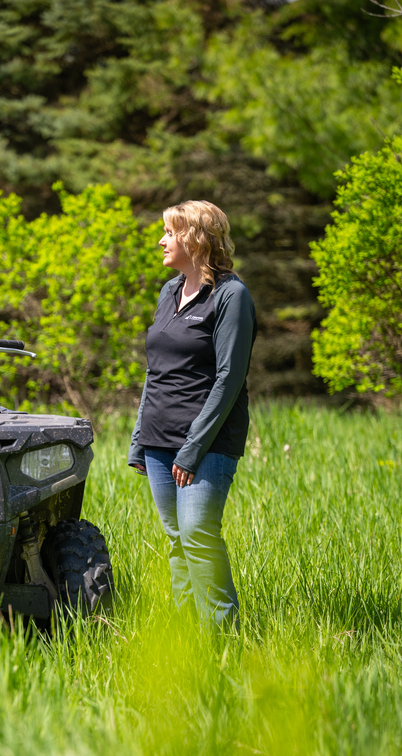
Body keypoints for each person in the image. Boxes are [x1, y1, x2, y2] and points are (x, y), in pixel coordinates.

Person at [128, 200, 257, 631]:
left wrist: (192, 449)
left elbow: (229, 378)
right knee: (177, 543)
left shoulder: (230, 296)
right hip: (158, 439)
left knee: (199, 536)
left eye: (170, 232)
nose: (162, 241)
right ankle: (187, 644)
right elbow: (155, 370)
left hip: (205, 444)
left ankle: (223, 639)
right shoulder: (169, 291)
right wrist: (138, 440)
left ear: (196, 238)